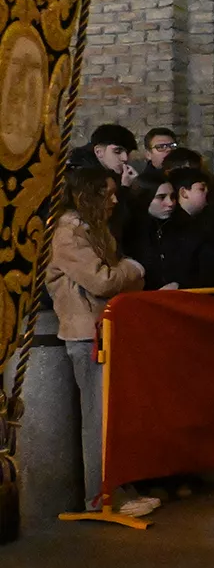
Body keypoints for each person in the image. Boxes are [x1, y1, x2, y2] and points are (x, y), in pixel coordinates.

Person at [44, 168, 155, 517]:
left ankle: (116, 487)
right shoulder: (68, 233)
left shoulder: (93, 229)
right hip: (86, 334)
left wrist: (125, 275)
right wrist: (134, 269)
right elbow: (103, 280)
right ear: (85, 196)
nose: (114, 200)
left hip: (106, 329)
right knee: (98, 417)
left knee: (112, 415)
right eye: (107, 193)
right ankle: (101, 496)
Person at [123, 180, 204, 290]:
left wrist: (180, 284)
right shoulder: (129, 231)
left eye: (173, 196)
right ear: (145, 199)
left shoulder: (188, 227)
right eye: (161, 197)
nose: (170, 203)